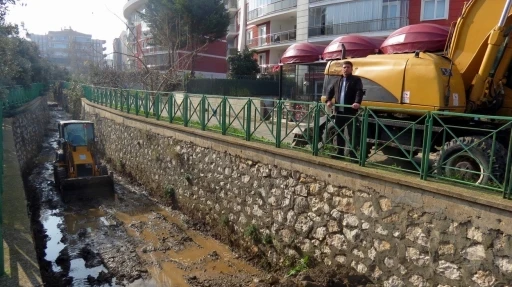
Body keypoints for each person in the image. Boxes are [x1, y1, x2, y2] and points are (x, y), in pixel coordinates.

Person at [326, 60, 364, 160]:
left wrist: (357, 102)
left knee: (352, 133)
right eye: (344, 67)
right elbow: (330, 92)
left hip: (350, 111)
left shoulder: (356, 80)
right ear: (342, 69)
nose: (345, 69)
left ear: (351, 69)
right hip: (339, 111)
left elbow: (359, 92)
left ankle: (353, 155)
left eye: (348, 67)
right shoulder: (337, 81)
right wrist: (328, 100)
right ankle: (340, 153)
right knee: (339, 132)